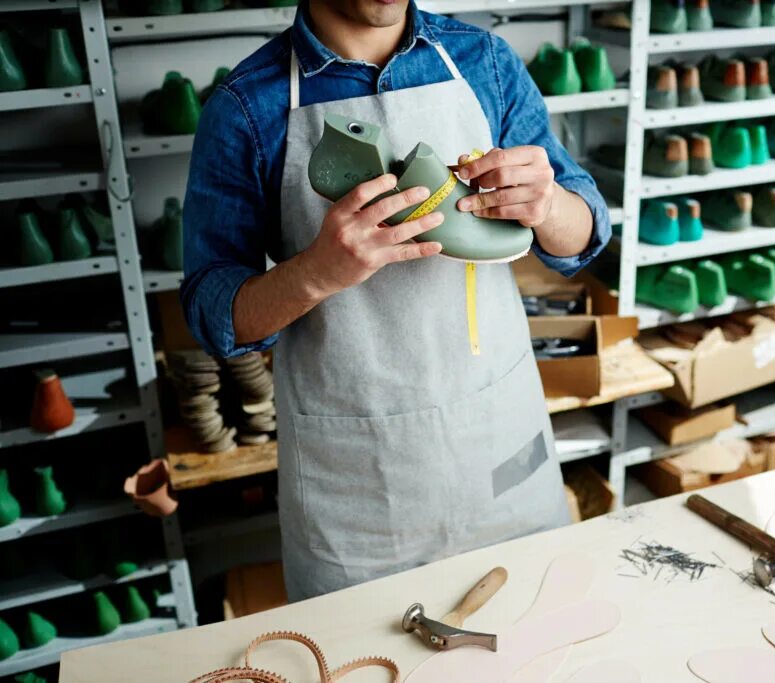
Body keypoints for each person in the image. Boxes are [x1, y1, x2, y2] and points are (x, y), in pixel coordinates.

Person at [182, 0, 611, 601]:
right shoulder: (246, 107)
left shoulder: (481, 61)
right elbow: (213, 316)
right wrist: (317, 271)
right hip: (359, 484)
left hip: (499, 439)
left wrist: (548, 206)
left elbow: (586, 234)